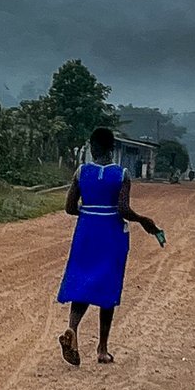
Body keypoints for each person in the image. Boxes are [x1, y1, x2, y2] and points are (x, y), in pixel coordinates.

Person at [55, 125, 165, 366]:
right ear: (112, 148)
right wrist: (144, 220)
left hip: (86, 233)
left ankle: (72, 329)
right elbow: (123, 209)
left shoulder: (81, 172)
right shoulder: (121, 174)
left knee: (83, 281)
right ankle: (102, 349)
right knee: (107, 288)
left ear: (91, 148)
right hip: (111, 235)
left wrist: (88, 212)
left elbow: (69, 207)